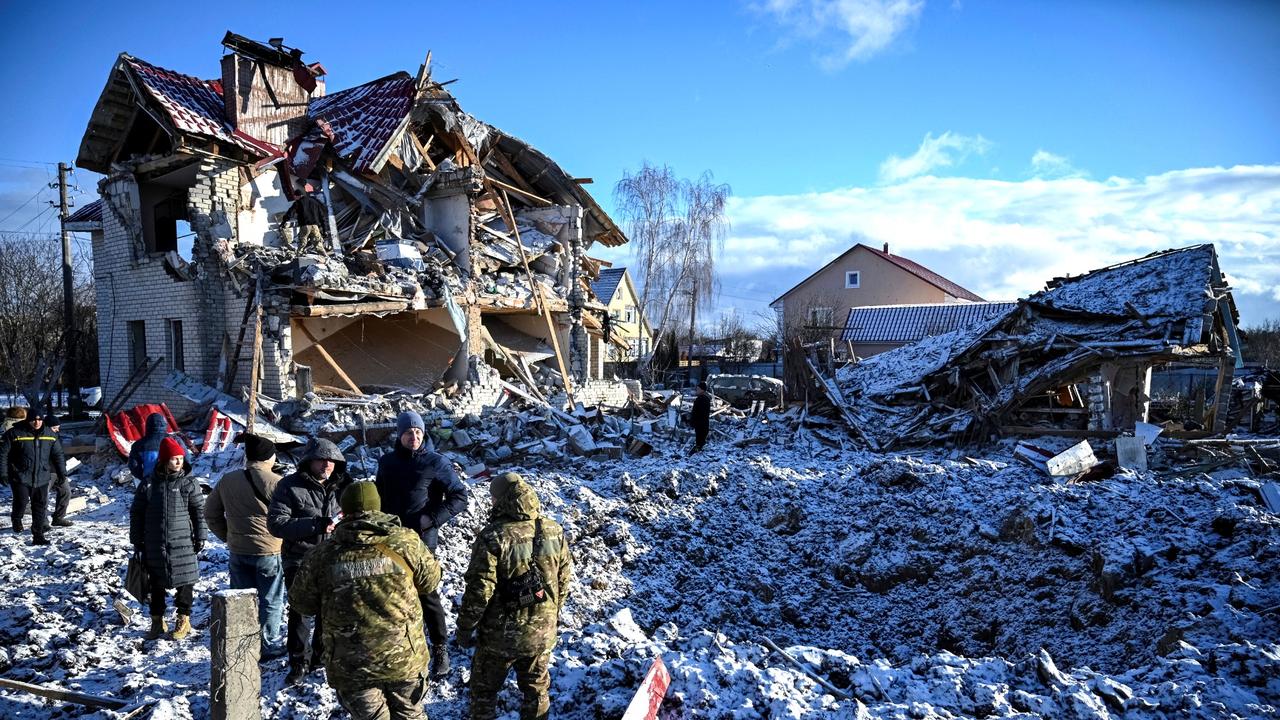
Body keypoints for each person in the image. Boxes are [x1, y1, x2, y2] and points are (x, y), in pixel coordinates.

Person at [290, 482, 442, 720]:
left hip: (351, 665)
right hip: (403, 658)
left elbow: (301, 603)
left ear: (345, 510)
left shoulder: (322, 554)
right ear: (378, 507)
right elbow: (430, 582)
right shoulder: (406, 543)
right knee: (411, 715)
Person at [457, 472, 573, 720]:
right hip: (541, 634)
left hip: (499, 636)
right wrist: (550, 616)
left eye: (493, 498)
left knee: (484, 692)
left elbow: (480, 590)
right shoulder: (554, 530)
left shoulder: (493, 536)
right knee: (537, 692)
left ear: (501, 500)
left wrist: (466, 628)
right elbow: (563, 581)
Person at [375, 410, 468, 679]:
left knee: (426, 593)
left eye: (417, 432)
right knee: (392, 593)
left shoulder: (436, 462)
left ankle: (440, 647)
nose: (413, 436)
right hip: (390, 538)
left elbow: (460, 496)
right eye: (408, 432)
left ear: (423, 433)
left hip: (421, 539)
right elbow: (379, 495)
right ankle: (397, 645)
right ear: (399, 435)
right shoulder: (387, 463)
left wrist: (433, 518)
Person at [268, 437, 351, 685]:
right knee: (301, 612)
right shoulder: (289, 486)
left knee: (328, 610)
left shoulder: (344, 485)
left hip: (333, 557)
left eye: (332, 461)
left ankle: (319, 657)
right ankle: (298, 662)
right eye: (322, 460)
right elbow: (276, 524)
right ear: (309, 461)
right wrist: (316, 525)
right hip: (299, 558)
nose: (327, 465)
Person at [205, 433, 285, 658]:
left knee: (240, 599)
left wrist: (228, 537)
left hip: (238, 550)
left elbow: (210, 513)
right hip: (269, 551)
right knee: (270, 599)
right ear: (269, 457)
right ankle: (268, 644)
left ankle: (241, 643)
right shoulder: (277, 483)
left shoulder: (227, 480)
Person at [129, 437, 205, 641]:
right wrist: (136, 540)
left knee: (186, 580)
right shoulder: (149, 484)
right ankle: (157, 620)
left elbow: (198, 511)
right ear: (163, 461)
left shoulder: (189, 483)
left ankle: (184, 618)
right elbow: (137, 512)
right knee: (155, 583)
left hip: (183, 542)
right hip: (154, 542)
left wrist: (201, 535)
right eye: (173, 458)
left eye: (180, 458)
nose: (178, 462)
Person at [1, 410, 66, 545]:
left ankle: (38, 536)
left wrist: (62, 472)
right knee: (22, 501)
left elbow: (58, 455)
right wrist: (3, 473)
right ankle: (17, 518)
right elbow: (3, 455)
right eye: (33, 420)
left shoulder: (50, 434)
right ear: (27, 420)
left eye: (39, 419)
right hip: (20, 475)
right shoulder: (14, 433)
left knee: (39, 506)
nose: (36, 422)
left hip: (41, 476)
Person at [129, 412, 181, 481]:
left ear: (147, 426)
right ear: (165, 424)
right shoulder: (175, 440)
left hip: (151, 482)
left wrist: (143, 478)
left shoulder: (138, 445)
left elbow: (134, 466)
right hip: (173, 481)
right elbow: (187, 459)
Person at [281, 185, 329, 254]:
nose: (295, 198)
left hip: (305, 226)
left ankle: (298, 257)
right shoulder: (314, 202)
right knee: (318, 243)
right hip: (315, 226)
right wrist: (325, 230)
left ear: (298, 196)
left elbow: (290, 213)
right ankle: (324, 256)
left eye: (295, 197)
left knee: (302, 243)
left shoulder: (298, 203)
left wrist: (283, 222)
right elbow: (322, 216)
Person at [45, 415, 73, 528]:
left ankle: (59, 517)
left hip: (59, 471)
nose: (58, 430)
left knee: (66, 492)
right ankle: (43, 522)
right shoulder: (41, 438)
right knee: (43, 497)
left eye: (58, 427)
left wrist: (63, 471)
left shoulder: (56, 437)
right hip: (46, 471)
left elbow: (60, 455)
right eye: (55, 427)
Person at [690, 381, 712, 452]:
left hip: (700, 423)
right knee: (700, 439)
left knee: (700, 439)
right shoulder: (704, 398)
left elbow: (698, 412)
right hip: (702, 423)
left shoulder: (702, 399)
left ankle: (698, 449)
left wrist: (693, 421)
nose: (696, 390)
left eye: (698, 389)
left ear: (702, 390)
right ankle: (699, 448)